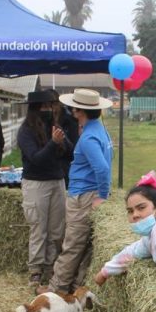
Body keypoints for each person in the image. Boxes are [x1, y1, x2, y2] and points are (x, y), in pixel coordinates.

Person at [40, 89, 113, 296]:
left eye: (74, 106)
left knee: (72, 246)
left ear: (79, 111)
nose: (71, 109)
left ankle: (56, 291)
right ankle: (73, 289)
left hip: (83, 195)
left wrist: (102, 195)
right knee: (83, 248)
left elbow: (102, 168)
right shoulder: (100, 130)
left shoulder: (89, 137)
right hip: (88, 192)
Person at [17, 90, 75, 288]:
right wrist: (53, 143)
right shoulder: (25, 131)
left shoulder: (55, 127)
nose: (49, 110)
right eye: (45, 107)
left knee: (56, 229)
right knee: (38, 228)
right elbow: (36, 158)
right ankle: (35, 269)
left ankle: (51, 266)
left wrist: (62, 142)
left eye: (51, 106)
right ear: (35, 109)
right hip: (36, 183)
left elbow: (71, 154)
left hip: (57, 181)